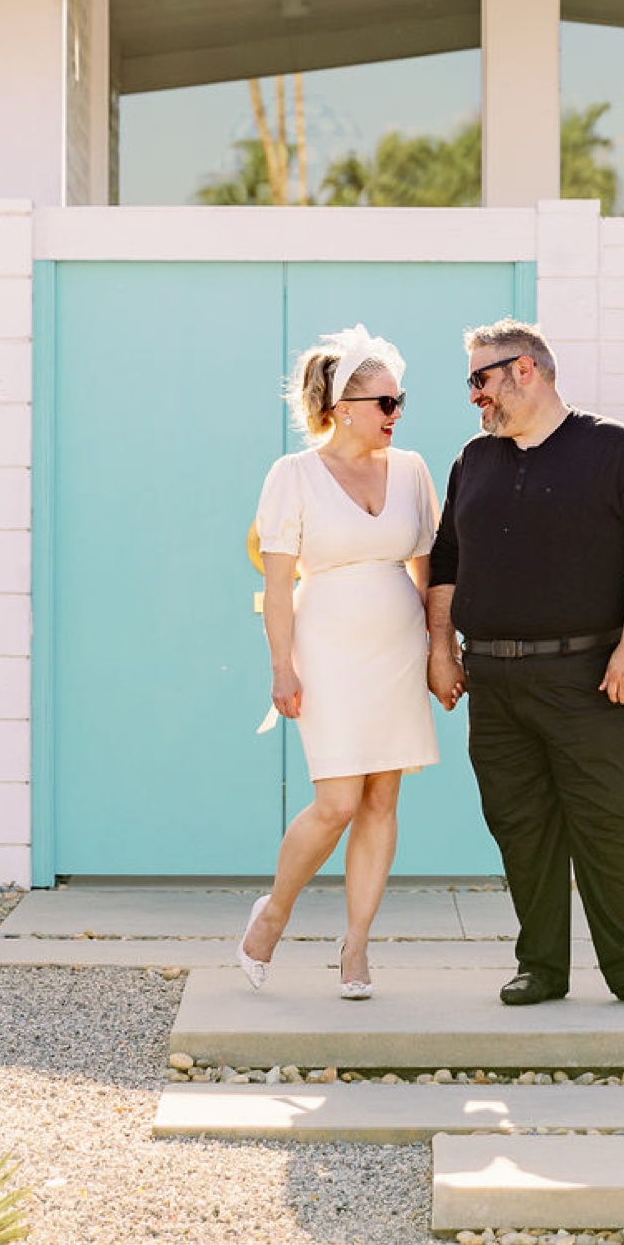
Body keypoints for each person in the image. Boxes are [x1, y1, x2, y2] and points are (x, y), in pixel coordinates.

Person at [426, 318, 624, 1008]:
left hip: (589, 676)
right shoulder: (472, 461)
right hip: (493, 680)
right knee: (520, 825)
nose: (474, 395)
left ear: (526, 370)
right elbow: (447, 560)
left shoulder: (613, 450)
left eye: (480, 379)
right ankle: (540, 966)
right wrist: (440, 649)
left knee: (606, 822)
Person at [237, 325, 440, 1001]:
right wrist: (281, 667)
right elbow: (277, 584)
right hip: (326, 649)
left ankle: (356, 947)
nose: (396, 413)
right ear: (343, 407)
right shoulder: (292, 475)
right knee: (337, 801)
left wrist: (441, 647)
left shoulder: (411, 470)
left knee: (382, 797)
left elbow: (430, 569)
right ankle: (274, 913)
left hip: (399, 649)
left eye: (399, 401)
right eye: (386, 402)